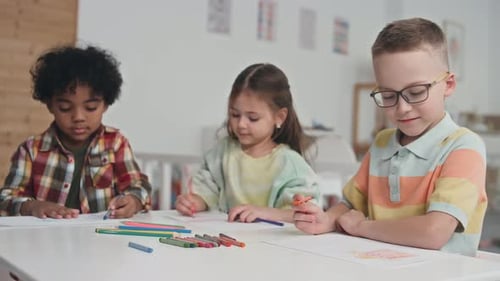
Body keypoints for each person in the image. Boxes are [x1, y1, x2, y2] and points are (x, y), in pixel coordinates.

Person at [293, 18, 487, 257]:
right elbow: (351, 206)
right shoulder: (382, 143)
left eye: (416, 92)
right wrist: (327, 220)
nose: (402, 108)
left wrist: (362, 227)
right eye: (387, 95)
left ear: (448, 84)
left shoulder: (463, 147)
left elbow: (434, 232)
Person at [0, 45, 152, 219]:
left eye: (90, 107)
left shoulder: (116, 143)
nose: (78, 117)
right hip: (46, 239)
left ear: (105, 105)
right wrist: (32, 206)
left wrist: (133, 201)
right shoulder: (31, 150)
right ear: (50, 104)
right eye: (65, 108)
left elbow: (138, 185)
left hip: (101, 239)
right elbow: (5, 199)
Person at [175, 63, 320, 223]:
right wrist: (195, 202)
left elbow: (306, 214)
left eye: (253, 118)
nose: (242, 124)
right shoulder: (222, 152)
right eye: (235, 115)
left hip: (273, 245)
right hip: (227, 241)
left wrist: (264, 212)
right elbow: (206, 192)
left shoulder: (290, 164)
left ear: (279, 117)